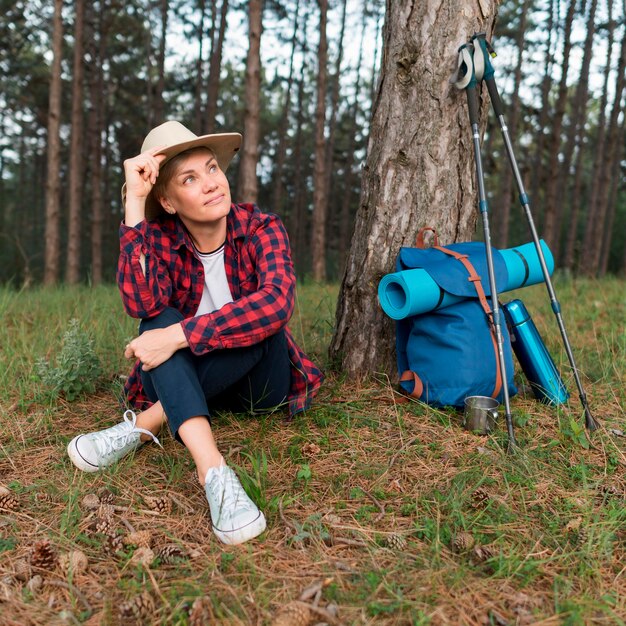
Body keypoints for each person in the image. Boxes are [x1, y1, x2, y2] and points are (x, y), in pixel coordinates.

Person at [67, 121, 323, 545]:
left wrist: (176, 337)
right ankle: (215, 473)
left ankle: (144, 423)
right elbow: (142, 306)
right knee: (156, 320)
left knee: (258, 323)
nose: (211, 184)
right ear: (167, 200)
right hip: (190, 381)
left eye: (211, 169)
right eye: (190, 179)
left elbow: (276, 303)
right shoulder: (160, 238)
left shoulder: (260, 227)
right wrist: (135, 201)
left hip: (260, 384)